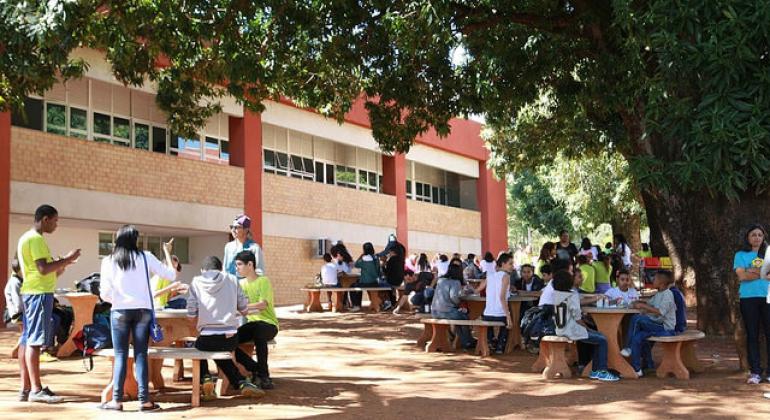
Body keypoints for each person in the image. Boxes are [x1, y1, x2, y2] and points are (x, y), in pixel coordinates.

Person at [99, 225, 175, 411]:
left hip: (120, 311)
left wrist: (117, 301)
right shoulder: (146, 257)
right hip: (143, 311)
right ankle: (145, 401)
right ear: (135, 240)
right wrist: (167, 253)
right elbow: (171, 275)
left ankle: (116, 401)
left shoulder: (108, 261)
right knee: (141, 354)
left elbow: (105, 294)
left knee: (120, 355)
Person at [17, 204, 80, 404]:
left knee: (27, 339)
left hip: (32, 292)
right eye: (55, 220)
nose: (56, 225)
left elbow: (48, 269)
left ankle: (26, 388)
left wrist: (64, 262)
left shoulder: (27, 238)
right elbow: (44, 269)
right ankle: (35, 389)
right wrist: (68, 258)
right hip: (38, 294)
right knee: (35, 341)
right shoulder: (35, 239)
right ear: (45, 219)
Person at [187, 256, 264, 400]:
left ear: (203, 270)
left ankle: (206, 378)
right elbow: (243, 309)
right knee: (221, 350)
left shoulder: (196, 281)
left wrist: (197, 320)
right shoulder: (233, 279)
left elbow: (191, 312)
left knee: (197, 345)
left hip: (207, 338)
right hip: (230, 338)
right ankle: (241, 382)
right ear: (221, 268)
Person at [551, 270, 620, 382]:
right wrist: (587, 328)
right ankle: (602, 371)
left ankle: (594, 371)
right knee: (602, 339)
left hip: (559, 330)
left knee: (598, 338)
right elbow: (578, 319)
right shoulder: (572, 295)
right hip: (571, 330)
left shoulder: (556, 295)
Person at [235, 251, 279, 390]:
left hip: (269, 324)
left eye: (239, 264)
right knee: (227, 341)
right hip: (252, 325)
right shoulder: (240, 284)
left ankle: (264, 376)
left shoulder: (263, 281)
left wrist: (242, 308)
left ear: (250, 264)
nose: (237, 268)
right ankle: (256, 369)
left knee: (259, 331)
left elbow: (263, 305)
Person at [621, 270, 678, 376]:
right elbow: (649, 303)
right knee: (637, 337)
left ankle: (628, 347)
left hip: (665, 328)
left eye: (655, 278)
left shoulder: (668, 295)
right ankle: (637, 369)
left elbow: (660, 311)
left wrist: (643, 306)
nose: (653, 280)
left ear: (661, 282)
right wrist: (638, 303)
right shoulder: (658, 294)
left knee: (637, 319)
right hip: (656, 326)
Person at [734, 224, 770, 384]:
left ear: (764, 237)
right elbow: (742, 276)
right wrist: (763, 273)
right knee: (752, 335)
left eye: (760, 235)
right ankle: (755, 372)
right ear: (748, 238)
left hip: (768, 297)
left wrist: (752, 271)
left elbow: (747, 273)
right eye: (753, 235)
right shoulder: (740, 255)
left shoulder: (769, 254)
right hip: (748, 298)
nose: (757, 237)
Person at [431, 262, 476, 350]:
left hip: (435, 311)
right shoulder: (456, 282)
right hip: (446, 311)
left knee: (459, 318)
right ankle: (467, 341)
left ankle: (464, 341)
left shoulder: (440, 280)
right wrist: (460, 300)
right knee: (464, 317)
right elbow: (454, 298)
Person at [481, 253, 514, 354]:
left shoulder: (490, 276)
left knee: (486, 320)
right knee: (508, 322)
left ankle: (491, 342)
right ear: (503, 264)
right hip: (500, 314)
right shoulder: (506, 276)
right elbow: (502, 297)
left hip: (487, 314)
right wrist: (508, 316)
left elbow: (478, 289)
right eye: (510, 264)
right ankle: (500, 345)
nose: (512, 266)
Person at [351, 243, 381, 312]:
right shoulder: (376, 258)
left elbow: (356, 264)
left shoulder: (364, 259)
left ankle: (356, 305)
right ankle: (375, 303)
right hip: (374, 283)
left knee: (353, 286)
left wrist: (361, 255)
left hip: (365, 283)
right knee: (360, 285)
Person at [382, 242, 406, 311]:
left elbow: (386, 273)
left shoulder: (392, 259)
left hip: (392, 281)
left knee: (381, 284)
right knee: (389, 285)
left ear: (393, 251)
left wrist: (383, 264)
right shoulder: (401, 259)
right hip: (400, 280)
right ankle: (392, 301)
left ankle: (388, 302)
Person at [4, 257, 23, 324]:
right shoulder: (15, 282)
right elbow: (17, 301)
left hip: (18, 312)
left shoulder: (17, 280)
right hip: (16, 313)